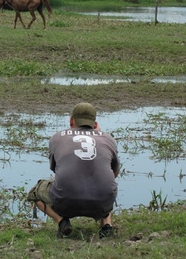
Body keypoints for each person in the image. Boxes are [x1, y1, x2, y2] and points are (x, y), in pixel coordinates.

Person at [27, 102, 120, 238]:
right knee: (106, 185)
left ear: (71, 121)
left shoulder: (57, 137)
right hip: (101, 201)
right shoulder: (108, 138)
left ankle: (62, 221)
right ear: (94, 124)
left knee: (35, 192)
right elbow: (114, 173)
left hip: (66, 201)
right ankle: (106, 225)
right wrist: (99, 133)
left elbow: (55, 169)